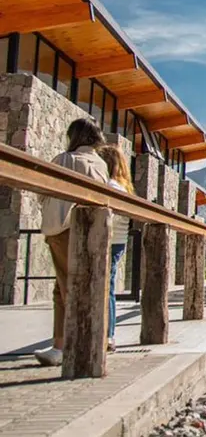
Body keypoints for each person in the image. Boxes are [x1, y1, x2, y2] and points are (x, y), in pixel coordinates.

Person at [35, 118, 109, 366]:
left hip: (63, 228)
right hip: (92, 232)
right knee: (75, 286)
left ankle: (68, 345)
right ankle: (70, 343)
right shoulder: (100, 165)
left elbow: (43, 191)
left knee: (66, 288)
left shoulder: (65, 159)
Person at [96, 144, 134, 353]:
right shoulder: (123, 186)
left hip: (106, 239)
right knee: (107, 285)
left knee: (103, 286)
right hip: (118, 240)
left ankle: (106, 334)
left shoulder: (108, 185)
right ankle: (108, 334)